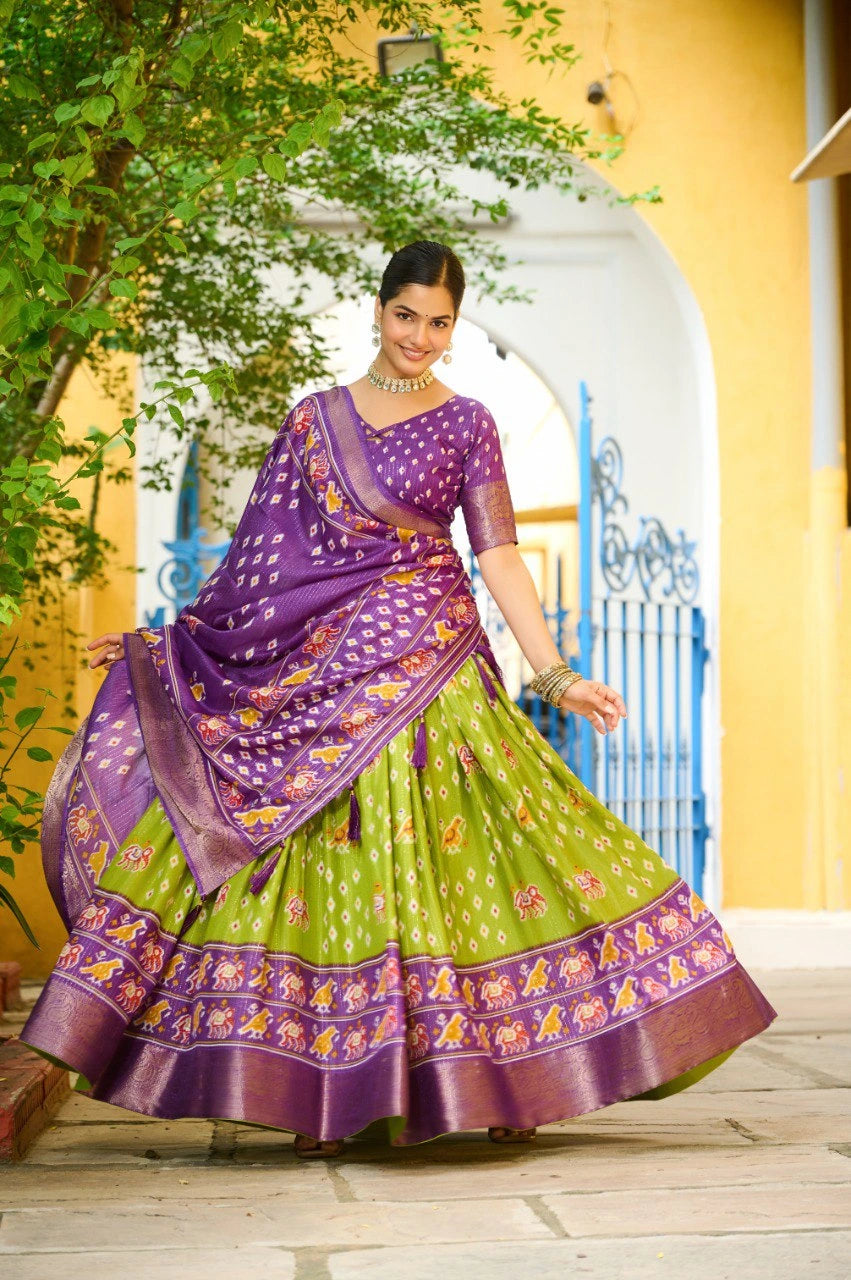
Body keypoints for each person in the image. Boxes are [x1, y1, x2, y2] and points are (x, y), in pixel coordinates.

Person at [21, 240, 777, 1159]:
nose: (420, 336)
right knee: (322, 864)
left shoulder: (467, 424)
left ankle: (501, 1073)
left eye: (439, 322)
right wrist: (170, 644)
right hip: (320, 679)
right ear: (378, 312)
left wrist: (552, 671)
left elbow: (496, 554)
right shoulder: (312, 422)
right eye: (406, 315)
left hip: (434, 669)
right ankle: (324, 1093)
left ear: (455, 329)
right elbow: (260, 566)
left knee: (479, 858)